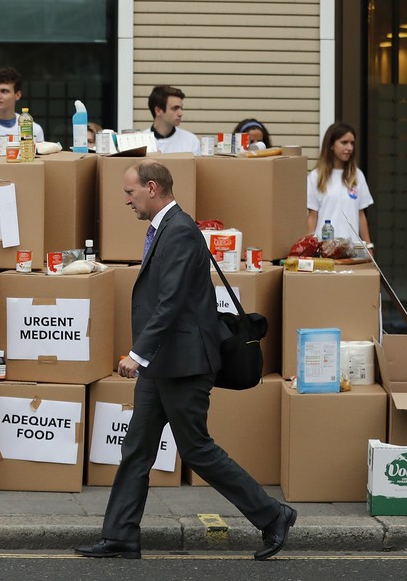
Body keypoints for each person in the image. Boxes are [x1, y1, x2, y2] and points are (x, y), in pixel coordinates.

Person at [75, 159, 296, 561]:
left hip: (184, 364)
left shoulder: (178, 230)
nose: (127, 200)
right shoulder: (164, 229)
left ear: (153, 188)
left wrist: (138, 354)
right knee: (137, 449)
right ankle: (121, 536)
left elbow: (171, 301)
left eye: (130, 192)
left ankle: (273, 515)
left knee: (197, 450)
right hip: (165, 363)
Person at [307, 122, 373, 246]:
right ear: (331, 145)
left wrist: (368, 246)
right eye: (344, 142)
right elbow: (312, 215)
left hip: (352, 249)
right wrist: (310, 246)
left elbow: (361, 214)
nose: (350, 148)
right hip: (324, 248)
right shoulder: (316, 176)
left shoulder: (357, 175)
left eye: (352, 143)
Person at [145, 85, 200, 155]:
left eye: (181, 108)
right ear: (158, 110)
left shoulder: (191, 141)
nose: (180, 113)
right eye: (175, 108)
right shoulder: (140, 143)